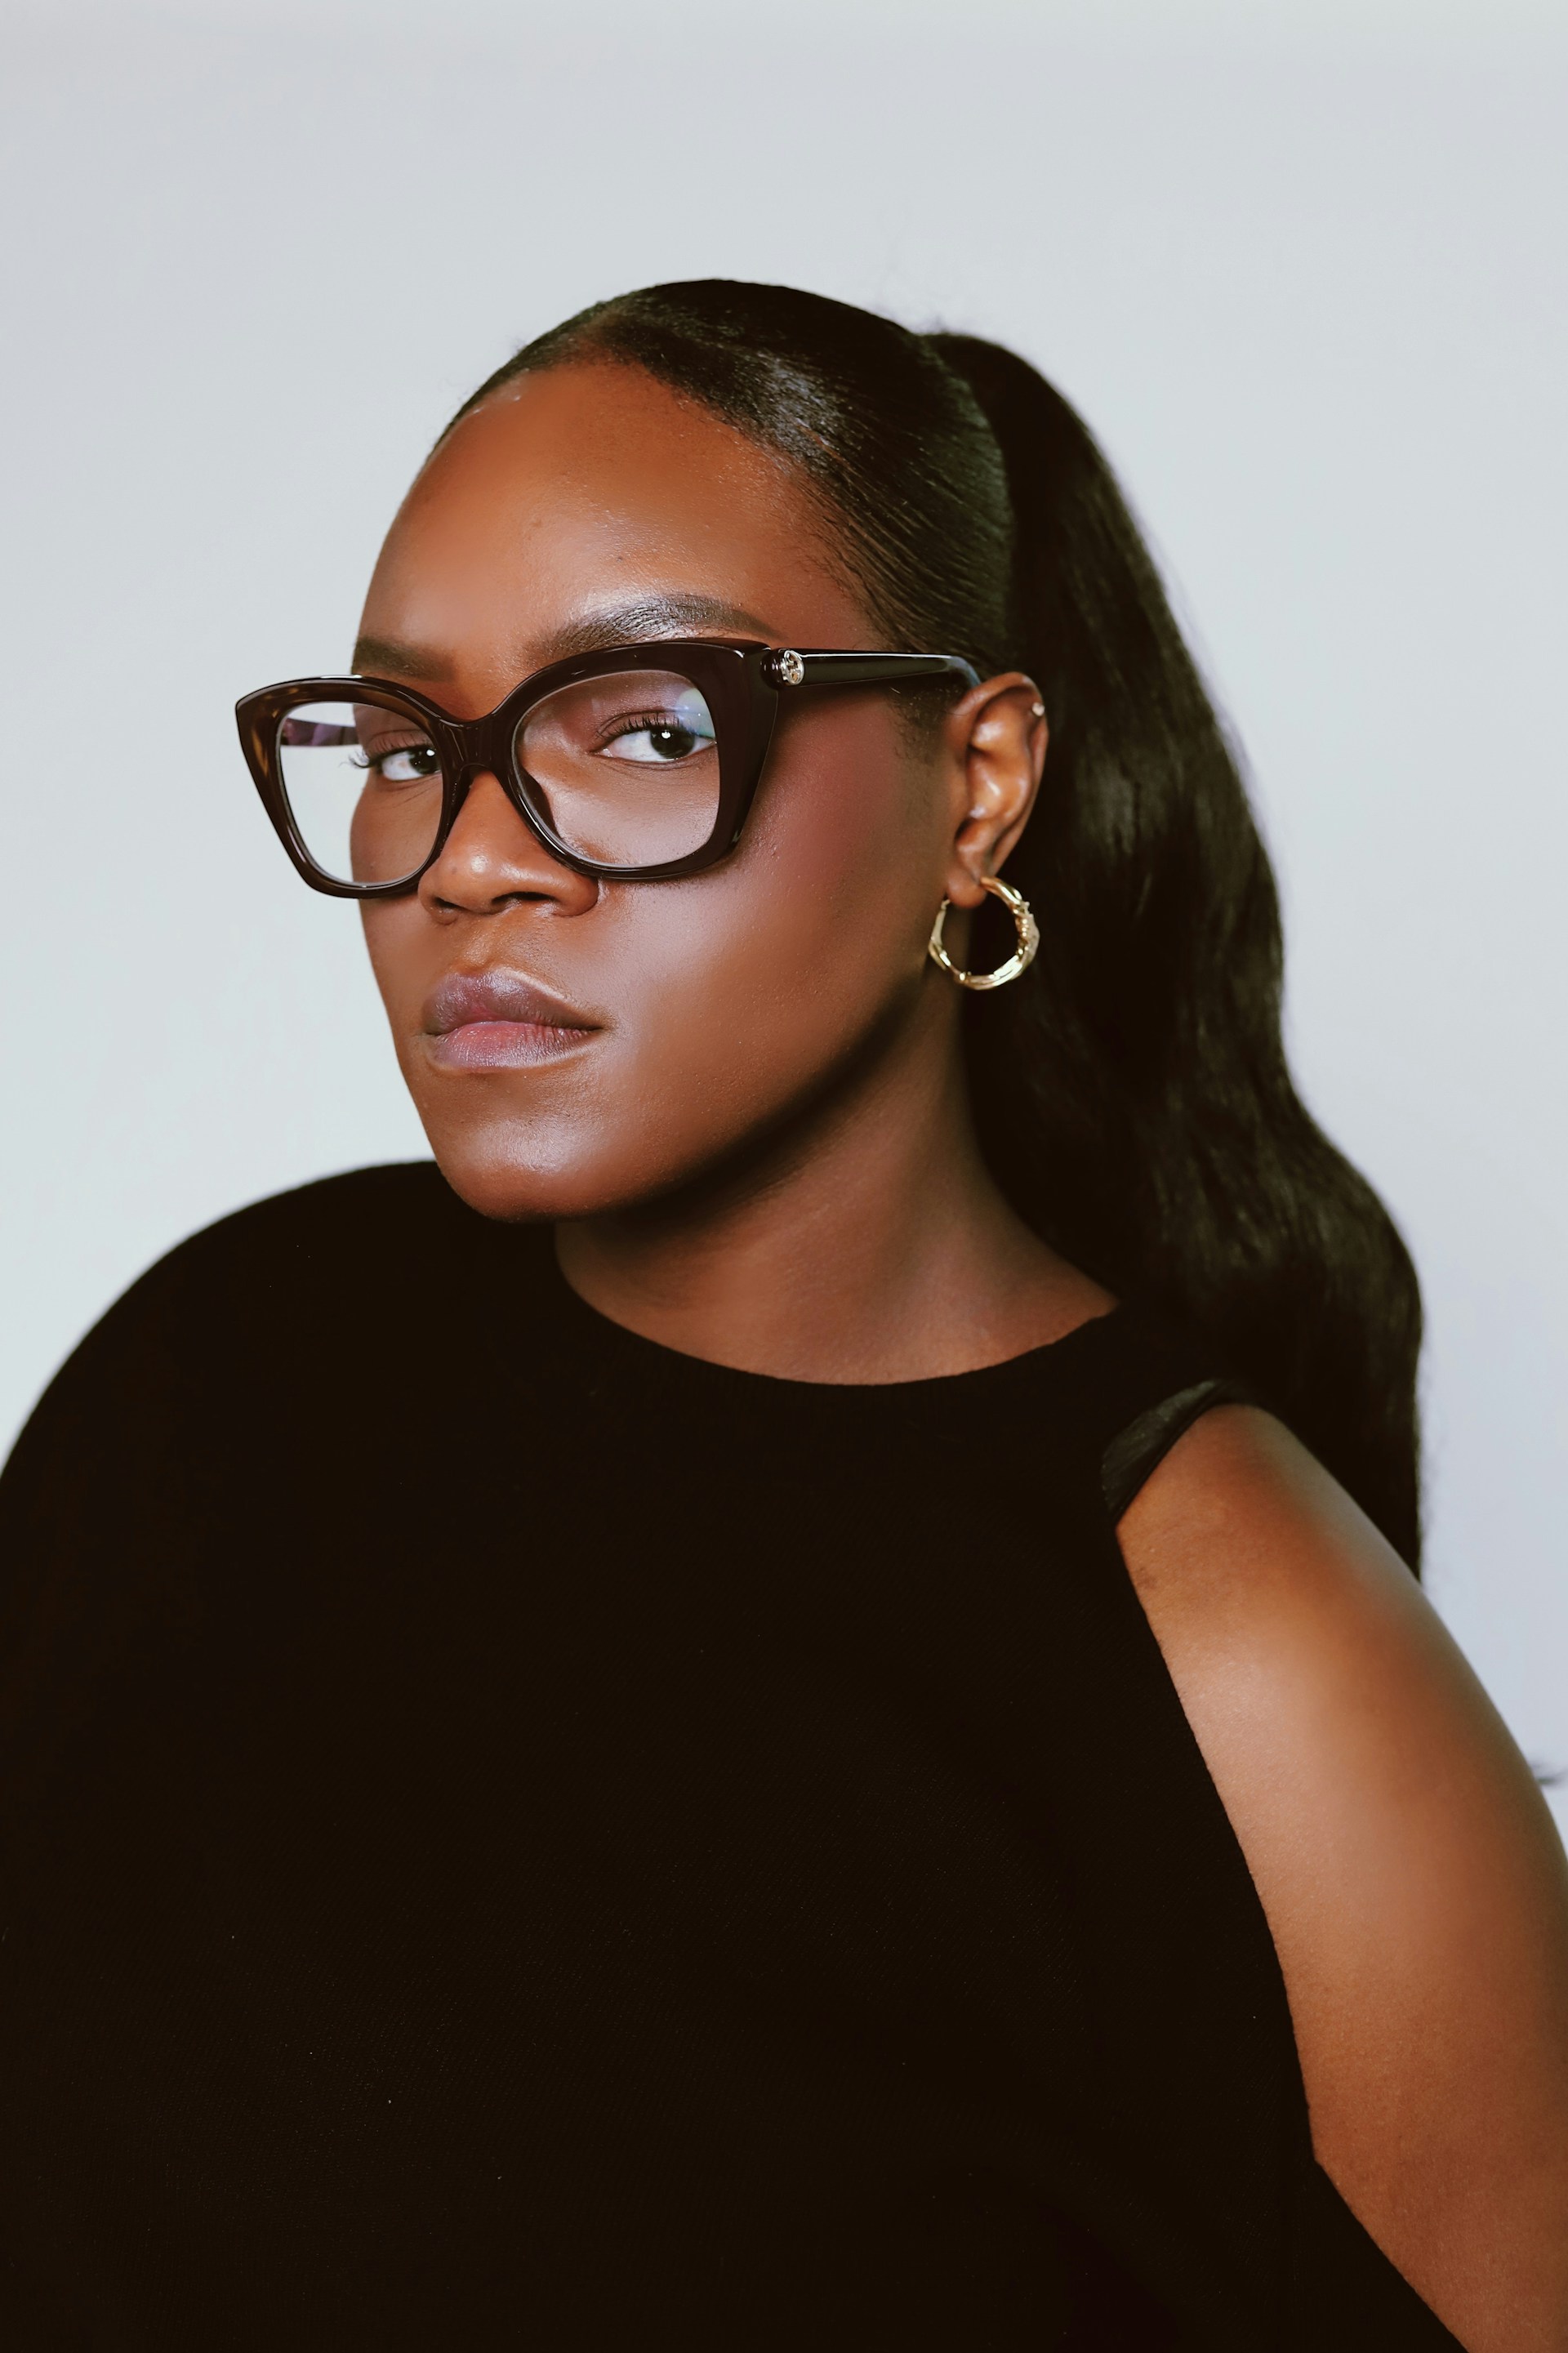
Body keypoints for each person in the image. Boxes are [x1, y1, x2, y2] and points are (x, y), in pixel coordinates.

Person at [1, 281, 1564, 2351]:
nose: (471, 862)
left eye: (650, 727)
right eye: (401, 746)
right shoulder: (211, 1373)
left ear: (978, 785)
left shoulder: (1255, 1664)